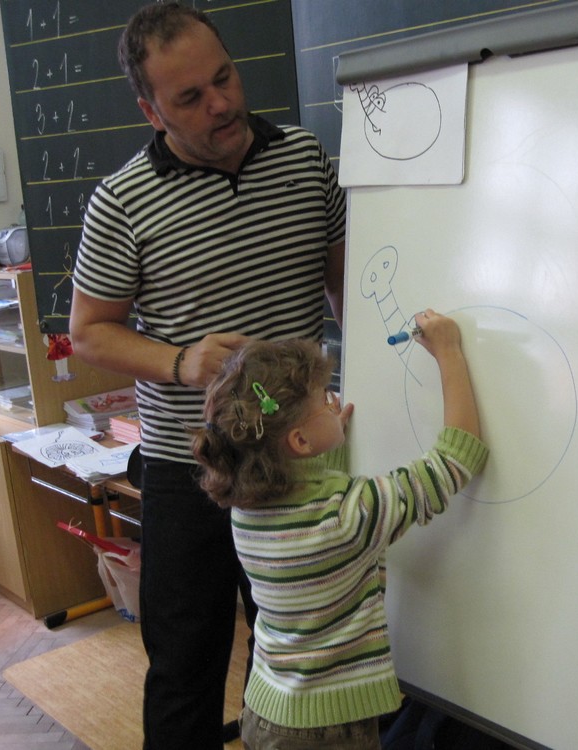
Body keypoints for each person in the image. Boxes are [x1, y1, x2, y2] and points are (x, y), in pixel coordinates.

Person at [68, 3, 346, 748]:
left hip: (298, 463)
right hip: (188, 469)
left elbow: (350, 286)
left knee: (290, 658)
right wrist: (179, 361)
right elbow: (88, 331)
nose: (220, 103)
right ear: (151, 111)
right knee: (184, 667)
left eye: (224, 77)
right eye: (190, 97)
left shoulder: (305, 160)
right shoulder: (123, 201)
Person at [192, 309, 488, 750]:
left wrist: (323, 442)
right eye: (322, 400)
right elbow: (453, 461)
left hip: (265, 711)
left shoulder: (246, 509)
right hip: (327, 731)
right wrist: (449, 353)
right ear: (299, 442)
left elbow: (308, 507)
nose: (333, 402)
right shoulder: (349, 514)